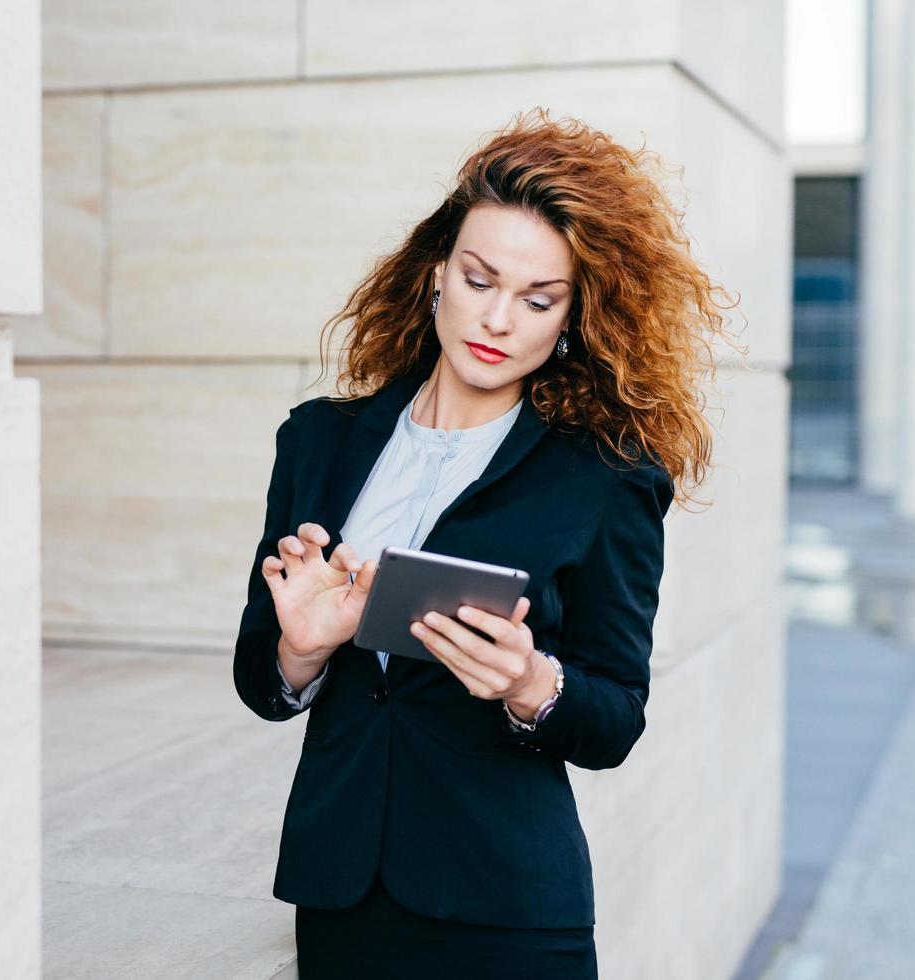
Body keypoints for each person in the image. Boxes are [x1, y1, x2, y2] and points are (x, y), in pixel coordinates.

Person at [232, 107, 741, 979]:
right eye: (479, 279)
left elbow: (615, 716)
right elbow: (259, 679)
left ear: (574, 317)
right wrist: (300, 650)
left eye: (538, 299)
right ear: (437, 277)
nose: (497, 318)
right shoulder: (318, 441)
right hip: (340, 891)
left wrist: (531, 684)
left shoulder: (605, 478)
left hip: (507, 906)